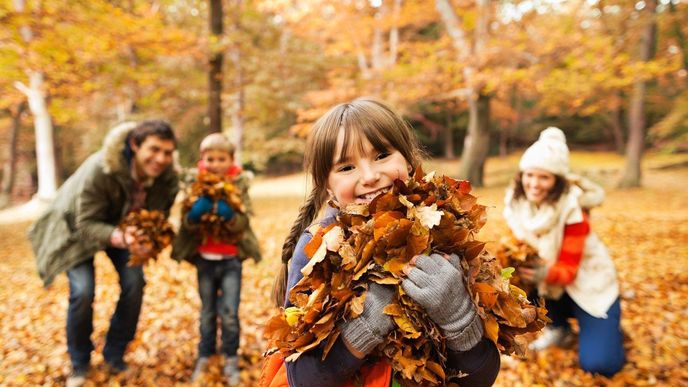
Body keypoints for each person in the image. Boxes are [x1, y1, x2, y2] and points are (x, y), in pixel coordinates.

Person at [265, 98, 500, 387]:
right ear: (327, 185)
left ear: (408, 158)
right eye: (347, 167)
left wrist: (459, 316)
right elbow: (302, 379)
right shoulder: (316, 250)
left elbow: (482, 378)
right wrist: (363, 327)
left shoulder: (447, 230)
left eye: (381, 155)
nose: (370, 176)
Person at [28, 120, 179, 387]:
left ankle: (114, 354)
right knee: (83, 291)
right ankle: (79, 363)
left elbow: (159, 216)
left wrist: (148, 240)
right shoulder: (101, 168)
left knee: (135, 283)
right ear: (134, 145)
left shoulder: (167, 177)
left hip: (123, 229)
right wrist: (121, 237)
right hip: (76, 230)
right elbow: (84, 222)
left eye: (167, 152)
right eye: (154, 150)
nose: (160, 158)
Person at [503, 127, 625, 377]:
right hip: (551, 283)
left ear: (557, 181)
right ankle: (559, 328)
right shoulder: (517, 205)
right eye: (529, 175)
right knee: (521, 269)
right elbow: (520, 249)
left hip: (588, 283)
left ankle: (607, 326)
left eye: (544, 177)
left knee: (601, 365)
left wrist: (541, 273)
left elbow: (569, 270)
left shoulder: (573, 209)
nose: (534, 184)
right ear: (521, 175)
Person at [171, 133, 261, 385]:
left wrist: (229, 216)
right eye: (210, 159)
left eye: (221, 159)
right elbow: (186, 224)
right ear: (202, 159)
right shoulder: (194, 185)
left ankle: (230, 357)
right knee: (208, 312)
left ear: (231, 160)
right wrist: (194, 215)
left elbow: (244, 222)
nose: (215, 164)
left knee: (230, 313)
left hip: (231, 260)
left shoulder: (239, 185)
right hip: (205, 261)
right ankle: (205, 355)